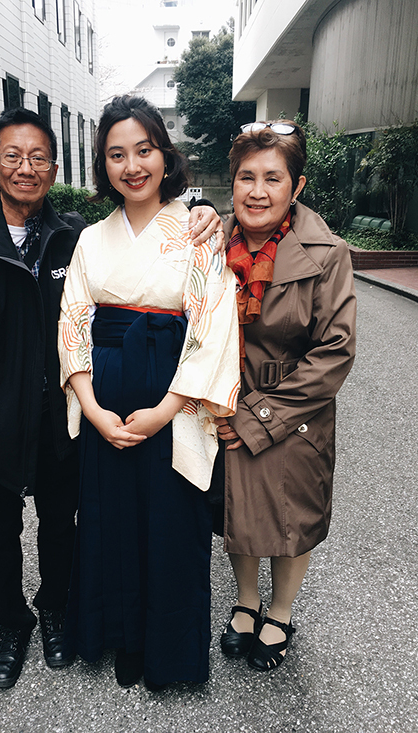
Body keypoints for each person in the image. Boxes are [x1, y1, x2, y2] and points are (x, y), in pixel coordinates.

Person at [0, 107, 222, 690]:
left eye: (38, 158)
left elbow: (96, 306)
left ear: (55, 167)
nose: (25, 169)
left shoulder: (73, 235)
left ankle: (55, 606)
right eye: (12, 156)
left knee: (62, 523)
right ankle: (10, 621)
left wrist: (205, 213)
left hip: (61, 421)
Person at [57, 95, 240, 690]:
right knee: (108, 516)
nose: (132, 165)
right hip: (105, 394)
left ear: (165, 155)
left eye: (144, 150)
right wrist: (90, 408)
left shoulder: (197, 231)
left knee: (169, 522)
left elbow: (213, 326)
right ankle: (114, 633)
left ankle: (164, 649)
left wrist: (166, 410)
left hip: (173, 393)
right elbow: (73, 321)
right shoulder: (90, 239)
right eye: (116, 154)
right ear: (102, 165)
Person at [215, 120, 356, 671]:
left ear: (295, 187)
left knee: (291, 519)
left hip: (295, 408)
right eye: (246, 177)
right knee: (240, 511)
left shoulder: (328, 253)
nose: (257, 191)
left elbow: (335, 353)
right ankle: (247, 601)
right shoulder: (210, 242)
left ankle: (280, 611)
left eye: (272, 178)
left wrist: (258, 416)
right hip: (226, 401)